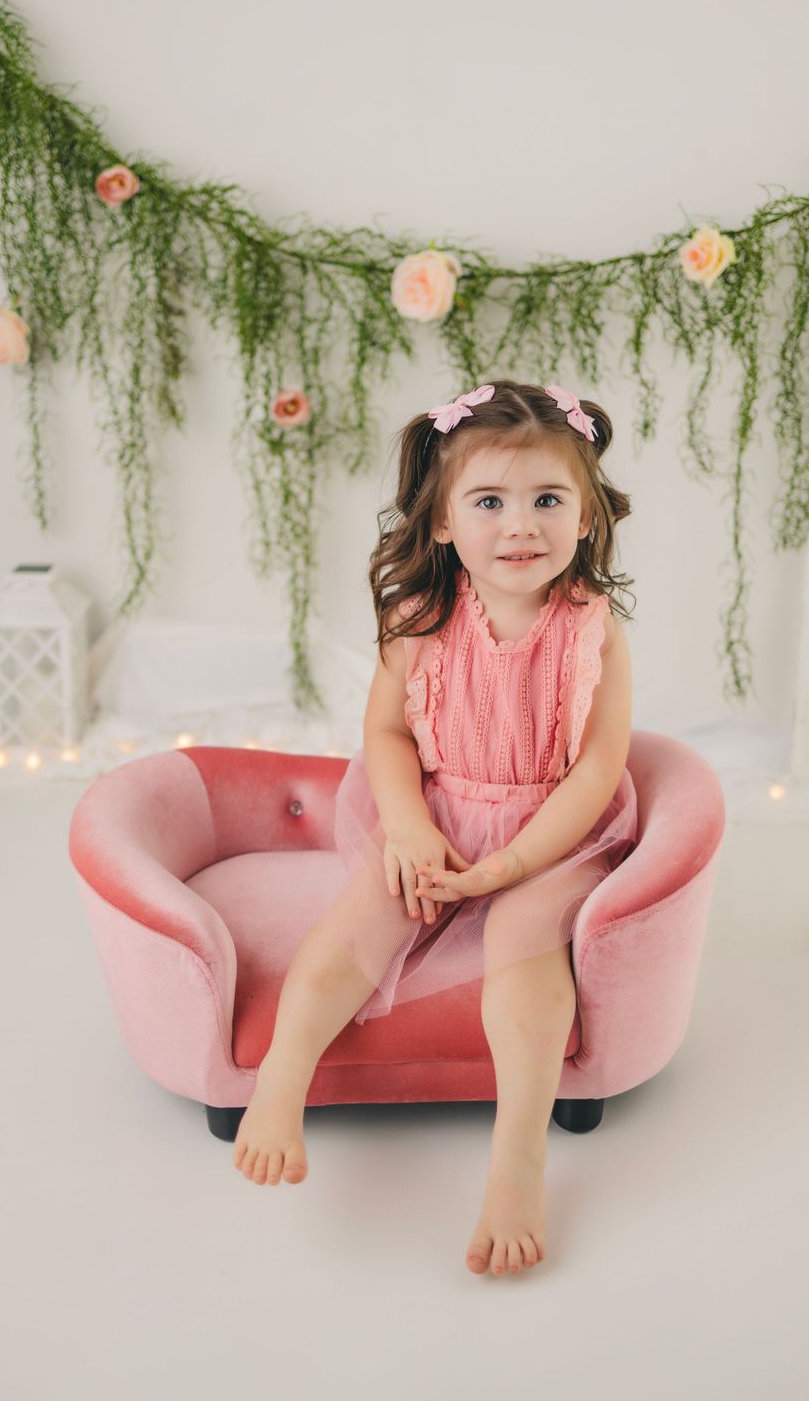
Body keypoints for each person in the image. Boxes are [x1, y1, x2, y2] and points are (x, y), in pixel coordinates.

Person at [233, 377, 639, 1277]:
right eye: (489, 502)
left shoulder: (590, 629)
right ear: (445, 521)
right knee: (359, 922)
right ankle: (281, 1078)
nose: (521, 525)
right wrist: (412, 829)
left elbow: (597, 770)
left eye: (547, 499)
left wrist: (514, 865)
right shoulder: (419, 619)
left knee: (527, 944)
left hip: (553, 835)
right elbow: (386, 735)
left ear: (585, 515)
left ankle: (518, 1157)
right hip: (441, 813)